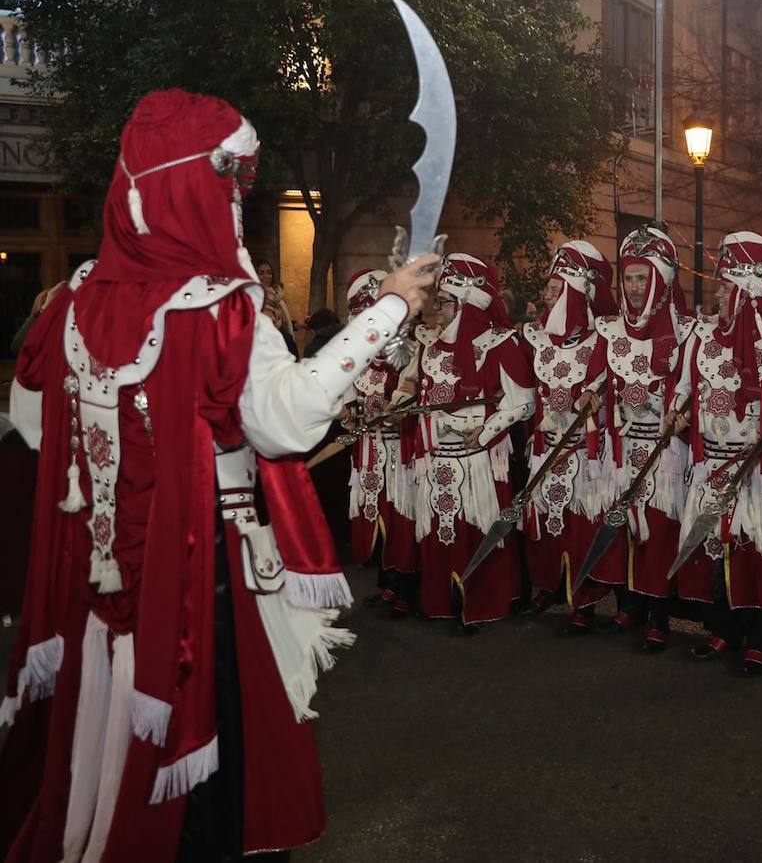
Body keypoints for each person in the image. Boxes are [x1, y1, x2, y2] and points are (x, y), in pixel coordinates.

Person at [0, 89, 436, 861]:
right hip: (207, 587)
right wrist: (390, 309)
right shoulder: (223, 311)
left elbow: (34, 426)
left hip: (99, 592)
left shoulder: (67, 306)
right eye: (230, 185)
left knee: (108, 764)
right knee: (215, 794)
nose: (237, 204)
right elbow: (286, 422)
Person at [670, 231, 762, 677]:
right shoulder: (700, 335)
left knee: (758, 552)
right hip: (712, 461)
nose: (718, 291)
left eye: (726, 285)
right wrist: (675, 411)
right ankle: (725, 628)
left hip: (759, 468)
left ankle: (760, 639)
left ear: (750, 292)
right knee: (718, 548)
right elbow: (685, 386)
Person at [410, 254, 535, 631]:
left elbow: (524, 402)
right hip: (437, 457)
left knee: (477, 526)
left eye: (446, 302)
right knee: (440, 527)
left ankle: (480, 601)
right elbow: (419, 389)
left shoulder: (498, 344)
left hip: (480, 459)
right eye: (439, 302)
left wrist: (486, 429)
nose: (439, 310)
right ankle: (441, 601)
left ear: (466, 305)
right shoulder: (429, 346)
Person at [593, 226, 696, 652]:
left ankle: (658, 614)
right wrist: (590, 396)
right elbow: (597, 382)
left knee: (658, 532)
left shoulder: (686, 332)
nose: (635, 287)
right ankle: (629, 603)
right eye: (629, 278)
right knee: (623, 529)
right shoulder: (609, 330)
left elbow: (695, 387)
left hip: (664, 450)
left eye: (643, 278)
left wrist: (682, 414)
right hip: (621, 448)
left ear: (660, 280)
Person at [518, 241, 617, 634]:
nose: (547, 293)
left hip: (583, 452)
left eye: (557, 287)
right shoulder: (534, 338)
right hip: (545, 448)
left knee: (580, 527)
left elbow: (613, 393)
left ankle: (585, 600)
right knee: (543, 524)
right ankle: (548, 588)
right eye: (549, 285)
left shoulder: (603, 340)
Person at [339, 269, 423, 620]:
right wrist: (346, 412)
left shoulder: (411, 346)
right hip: (369, 447)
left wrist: (395, 407)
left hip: (400, 447)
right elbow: (344, 390)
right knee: (378, 515)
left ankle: (407, 587)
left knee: (403, 514)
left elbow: (411, 387)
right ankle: (388, 580)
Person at [253, 258, 298, 358]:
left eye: (269, 272)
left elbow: (283, 323)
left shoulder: (278, 298)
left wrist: (298, 325)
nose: (266, 276)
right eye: (261, 273)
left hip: (281, 344)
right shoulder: (254, 297)